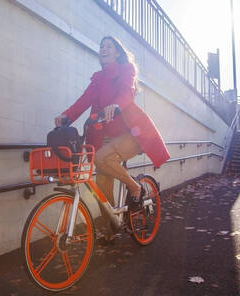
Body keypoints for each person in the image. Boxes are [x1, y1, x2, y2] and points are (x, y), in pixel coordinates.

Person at [55, 36, 170, 244]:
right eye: (102, 46)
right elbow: (83, 101)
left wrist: (115, 105)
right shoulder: (98, 78)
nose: (104, 49)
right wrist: (66, 117)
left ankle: (135, 187)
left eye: (109, 46)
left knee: (101, 158)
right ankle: (110, 229)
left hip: (131, 133)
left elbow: (127, 93)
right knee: (101, 184)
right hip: (104, 138)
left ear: (117, 52)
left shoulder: (126, 70)